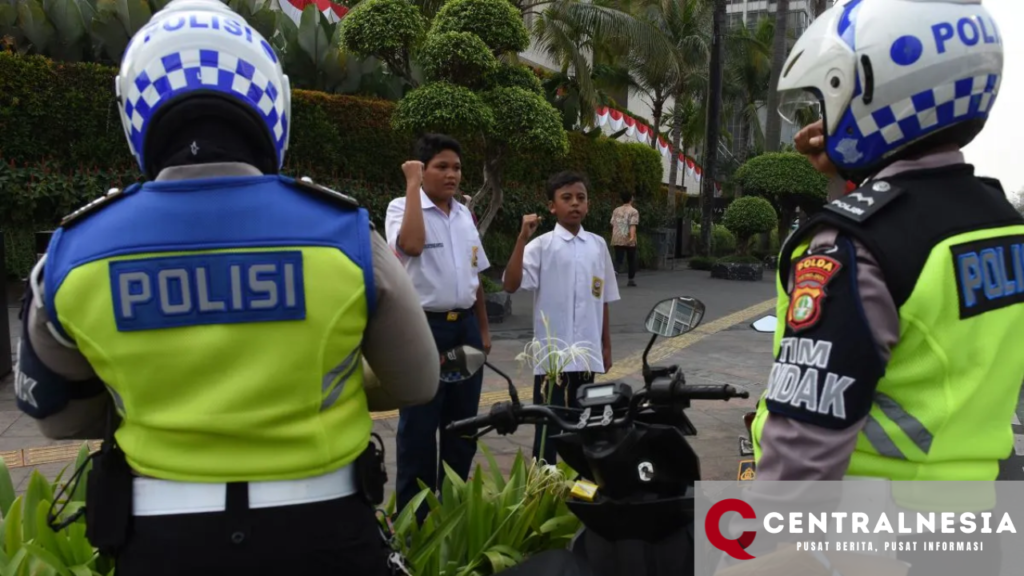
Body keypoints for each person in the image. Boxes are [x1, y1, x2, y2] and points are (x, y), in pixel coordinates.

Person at [12, 1, 440, 574]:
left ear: (134, 107)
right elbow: (416, 380)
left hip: (162, 542)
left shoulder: (75, 253)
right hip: (326, 532)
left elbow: (57, 418)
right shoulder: (344, 236)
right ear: (272, 102)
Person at [744, 0, 1020, 571]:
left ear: (873, 94)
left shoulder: (850, 245)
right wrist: (854, 172)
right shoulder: (1002, 222)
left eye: (831, 98)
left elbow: (807, 437)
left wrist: (761, 546)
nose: (822, 118)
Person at [385, 133, 492, 521]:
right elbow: (411, 245)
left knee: (462, 424)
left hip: (463, 328)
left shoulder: (464, 214)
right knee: (419, 426)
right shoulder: (402, 207)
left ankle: (453, 510)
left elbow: (475, 275)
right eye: (441, 167)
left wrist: (483, 328)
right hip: (423, 331)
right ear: (422, 169)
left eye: (457, 168)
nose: (452, 175)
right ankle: (415, 518)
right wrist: (412, 185)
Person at [502, 171, 619, 464]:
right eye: (566, 198)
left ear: (588, 205)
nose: (575, 204)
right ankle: (544, 483)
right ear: (552, 206)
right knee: (549, 425)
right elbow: (511, 284)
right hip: (552, 358)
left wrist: (606, 345)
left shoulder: (598, 245)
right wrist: (521, 238)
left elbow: (602, 298)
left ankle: (581, 481)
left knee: (586, 422)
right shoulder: (541, 247)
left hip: (587, 354)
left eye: (581, 198)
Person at [610, 191, 640, 287]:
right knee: (631, 259)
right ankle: (631, 279)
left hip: (617, 237)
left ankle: (614, 273)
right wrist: (631, 236)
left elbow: (612, 223)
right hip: (628, 239)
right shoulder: (634, 211)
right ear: (631, 198)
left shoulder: (616, 210)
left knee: (618, 259)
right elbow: (632, 225)